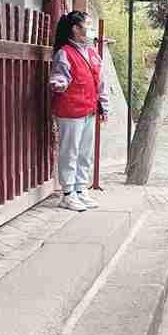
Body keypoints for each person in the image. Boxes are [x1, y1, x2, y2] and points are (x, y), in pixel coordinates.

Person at [49, 11, 108, 212]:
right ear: (75, 28)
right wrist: (59, 83)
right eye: (87, 25)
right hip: (70, 111)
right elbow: (60, 76)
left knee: (84, 153)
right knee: (70, 152)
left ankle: (81, 189)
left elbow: (100, 82)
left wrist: (104, 106)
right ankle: (68, 193)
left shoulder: (92, 53)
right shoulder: (64, 53)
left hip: (89, 110)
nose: (91, 30)